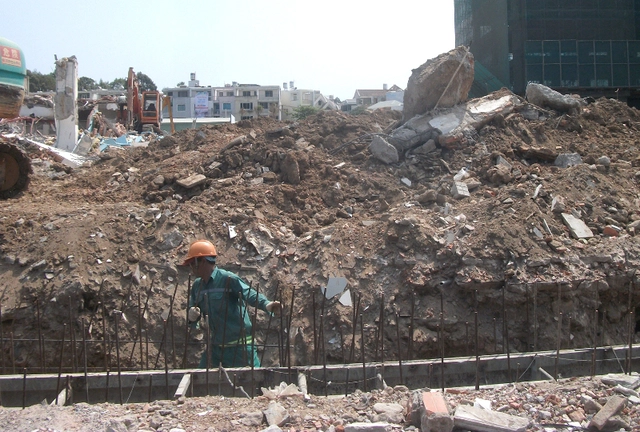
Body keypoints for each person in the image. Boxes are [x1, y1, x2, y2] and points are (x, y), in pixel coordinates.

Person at [182, 239, 281, 368]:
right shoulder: (197, 286)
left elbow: (248, 293)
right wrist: (192, 317)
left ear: (203, 261)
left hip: (240, 348)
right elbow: (194, 312)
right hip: (216, 349)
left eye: (192, 263)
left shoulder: (227, 279)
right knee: (201, 380)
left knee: (250, 383)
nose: (191, 268)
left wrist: (266, 304)